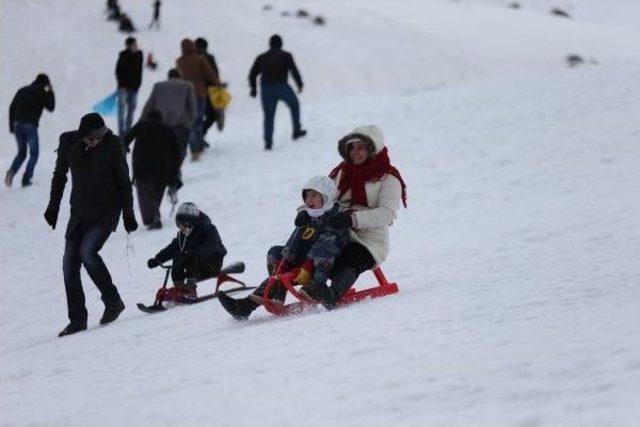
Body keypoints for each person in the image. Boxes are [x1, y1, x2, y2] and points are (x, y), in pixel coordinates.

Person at [219, 125, 406, 318]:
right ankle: (251, 303)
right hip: (329, 229)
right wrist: (304, 213)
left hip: (367, 239)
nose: (355, 152)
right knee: (290, 253)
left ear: (373, 148)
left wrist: (352, 219)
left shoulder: (388, 178)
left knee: (349, 257)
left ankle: (331, 294)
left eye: (361, 147)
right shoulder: (342, 172)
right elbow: (321, 195)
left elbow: (387, 213)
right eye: (352, 147)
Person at [44, 113, 139, 337]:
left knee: (87, 252)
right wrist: (53, 206)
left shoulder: (113, 144)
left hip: (106, 212)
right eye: (92, 139)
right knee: (69, 264)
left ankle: (113, 301)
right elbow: (60, 176)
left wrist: (128, 213)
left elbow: (124, 181)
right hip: (80, 213)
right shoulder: (68, 142)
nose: (97, 141)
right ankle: (77, 320)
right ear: (82, 136)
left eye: (100, 137)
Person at [218, 175, 349, 320]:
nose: (309, 200)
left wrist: (310, 269)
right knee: (275, 253)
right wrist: (288, 255)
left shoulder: (335, 217)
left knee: (321, 251)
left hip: (324, 264)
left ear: (326, 197)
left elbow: (328, 246)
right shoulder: (308, 215)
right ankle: (256, 302)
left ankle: (315, 289)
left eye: (314, 195)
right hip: (304, 258)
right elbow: (295, 242)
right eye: (306, 196)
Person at [147, 202, 227, 299]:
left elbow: (210, 247)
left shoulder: (208, 229)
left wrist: (193, 253)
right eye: (179, 225)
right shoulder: (183, 235)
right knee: (177, 256)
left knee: (191, 257)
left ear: (189, 223)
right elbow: (172, 249)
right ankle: (179, 287)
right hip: (196, 268)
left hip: (212, 264)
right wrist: (157, 260)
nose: (181, 228)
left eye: (182, 225)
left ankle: (190, 289)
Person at [124, 110, 182, 230]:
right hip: (164, 171)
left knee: (146, 195)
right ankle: (153, 216)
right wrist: (175, 170)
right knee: (156, 195)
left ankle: (153, 218)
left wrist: (125, 148)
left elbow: (126, 138)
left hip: (143, 168)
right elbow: (178, 151)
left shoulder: (142, 125)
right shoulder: (168, 129)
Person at [248, 34, 306, 150]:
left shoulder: (262, 57)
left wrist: (254, 89)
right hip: (282, 86)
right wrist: (299, 84)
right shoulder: (286, 56)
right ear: (281, 44)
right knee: (294, 105)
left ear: (270, 44)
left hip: (266, 89)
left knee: (269, 116)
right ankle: (296, 131)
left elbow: (252, 74)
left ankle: (268, 144)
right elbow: (294, 71)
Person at [5, 74, 55, 187]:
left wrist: (12, 126)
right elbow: (51, 108)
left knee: (21, 153)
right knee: (34, 154)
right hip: (30, 126)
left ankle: (12, 171)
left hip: (17, 125)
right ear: (45, 84)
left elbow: (12, 107)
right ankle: (26, 179)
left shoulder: (22, 90)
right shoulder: (42, 92)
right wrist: (51, 92)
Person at [176, 38, 219, 161]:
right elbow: (210, 74)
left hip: (185, 95)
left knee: (190, 122)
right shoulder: (199, 59)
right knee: (198, 121)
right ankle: (197, 147)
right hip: (200, 93)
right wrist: (217, 84)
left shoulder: (179, 61)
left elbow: (178, 76)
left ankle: (194, 146)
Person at [140, 68, 197, 160]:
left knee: (160, 153)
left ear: (168, 77)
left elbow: (149, 106)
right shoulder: (187, 86)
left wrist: (141, 122)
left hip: (159, 125)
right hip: (179, 126)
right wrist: (188, 125)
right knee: (178, 154)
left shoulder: (158, 86)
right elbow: (193, 109)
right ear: (179, 77)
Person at [195, 37, 224, 135]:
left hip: (194, 91)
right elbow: (215, 73)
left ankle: (198, 136)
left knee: (196, 116)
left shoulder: (190, 59)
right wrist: (218, 84)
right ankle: (201, 134)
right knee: (211, 115)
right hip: (209, 91)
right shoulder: (209, 58)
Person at [115, 37, 143, 136]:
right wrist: (122, 84)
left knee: (132, 109)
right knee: (122, 109)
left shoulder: (139, 55)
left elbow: (139, 72)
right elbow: (118, 71)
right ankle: (121, 131)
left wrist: (138, 85)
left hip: (134, 88)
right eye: (133, 45)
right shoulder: (123, 56)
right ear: (128, 46)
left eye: (136, 44)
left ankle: (127, 131)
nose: (136, 46)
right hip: (123, 88)